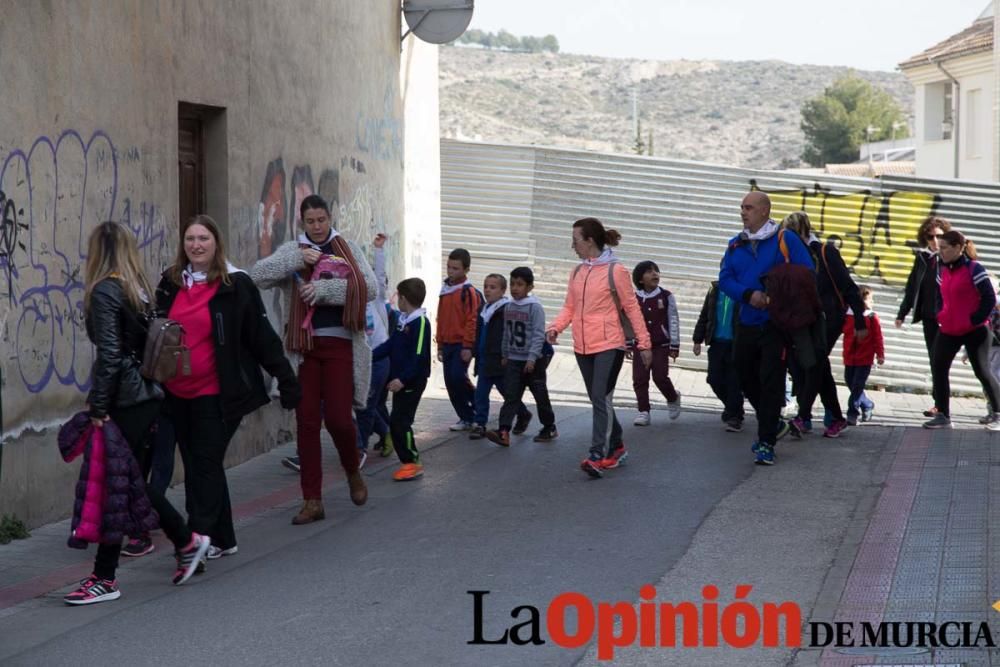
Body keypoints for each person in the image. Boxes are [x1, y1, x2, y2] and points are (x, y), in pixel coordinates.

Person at [65, 221, 211, 605]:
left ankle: (105, 578)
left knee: (116, 485)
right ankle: (185, 542)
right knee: (132, 486)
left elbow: (111, 356)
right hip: (148, 396)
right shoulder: (137, 290)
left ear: (98, 251)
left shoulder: (104, 292)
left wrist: (98, 406)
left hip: (127, 401)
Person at [156, 215, 300, 558]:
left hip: (219, 393)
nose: (196, 245)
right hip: (176, 392)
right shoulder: (171, 281)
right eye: (190, 239)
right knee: (198, 463)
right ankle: (223, 538)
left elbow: (261, 337)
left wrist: (286, 377)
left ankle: (198, 537)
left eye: (203, 238)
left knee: (204, 462)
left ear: (216, 243)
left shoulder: (236, 284)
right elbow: (155, 329)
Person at [250, 194, 376, 525]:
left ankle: (352, 471)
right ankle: (312, 500)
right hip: (302, 349)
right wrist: (295, 259)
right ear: (301, 223)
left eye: (322, 220)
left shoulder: (346, 248)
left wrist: (324, 292)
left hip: (340, 344)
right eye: (310, 222)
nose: (317, 227)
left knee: (338, 419)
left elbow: (370, 287)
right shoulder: (293, 250)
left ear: (330, 218)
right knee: (306, 424)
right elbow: (258, 276)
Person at [547, 218, 652, 479]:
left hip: (609, 344)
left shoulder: (615, 270)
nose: (573, 246)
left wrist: (644, 343)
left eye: (576, 241)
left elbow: (631, 307)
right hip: (582, 346)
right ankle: (617, 446)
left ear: (590, 241)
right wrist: (555, 327)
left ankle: (597, 454)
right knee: (599, 399)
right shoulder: (577, 272)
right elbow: (569, 307)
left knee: (600, 397)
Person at [719, 192, 813, 465]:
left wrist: (776, 298)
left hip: (776, 323)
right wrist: (748, 294)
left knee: (771, 380)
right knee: (743, 372)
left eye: (748, 208)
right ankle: (772, 421)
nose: (743, 212)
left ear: (764, 211)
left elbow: (807, 275)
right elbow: (725, 279)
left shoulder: (786, 240)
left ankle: (765, 442)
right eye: (741, 208)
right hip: (747, 320)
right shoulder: (736, 244)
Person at [781, 211, 866, 439]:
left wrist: (859, 320)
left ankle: (803, 417)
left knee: (815, 364)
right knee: (817, 367)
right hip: (804, 320)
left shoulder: (826, 253)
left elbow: (848, 287)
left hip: (829, 320)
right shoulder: (791, 256)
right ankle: (836, 418)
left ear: (800, 232)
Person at [923, 230, 1000, 430]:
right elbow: (940, 297)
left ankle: (998, 413)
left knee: (982, 371)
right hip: (949, 329)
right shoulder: (943, 270)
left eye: (945, 248)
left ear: (958, 248)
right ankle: (943, 415)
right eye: (939, 249)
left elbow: (990, 298)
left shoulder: (974, 269)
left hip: (975, 330)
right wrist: (940, 314)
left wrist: (975, 319)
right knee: (938, 367)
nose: (941, 252)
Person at [485, 267, 558, 446]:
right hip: (514, 360)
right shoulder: (508, 306)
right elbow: (507, 333)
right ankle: (503, 431)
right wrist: (505, 353)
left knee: (540, 394)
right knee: (511, 396)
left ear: (529, 286)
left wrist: (532, 359)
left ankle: (549, 426)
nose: (515, 288)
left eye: (520, 284)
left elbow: (538, 334)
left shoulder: (535, 307)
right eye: (512, 284)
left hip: (533, 361)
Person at [373, 278, 432, 480]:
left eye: (398, 296)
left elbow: (418, 356)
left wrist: (403, 379)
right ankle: (408, 461)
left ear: (404, 298)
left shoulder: (420, 322)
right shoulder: (403, 321)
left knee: (400, 422)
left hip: (411, 382)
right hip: (401, 381)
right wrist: (369, 356)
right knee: (398, 421)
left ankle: (412, 461)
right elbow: (390, 346)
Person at [896, 216, 952, 417]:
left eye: (939, 236)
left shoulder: (951, 260)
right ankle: (940, 406)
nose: (935, 241)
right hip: (930, 318)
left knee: (974, 365)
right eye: (930, 237)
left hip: (948, 318)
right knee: (935, 360)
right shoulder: (923, 259)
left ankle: (994, 406)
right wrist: (902, 312)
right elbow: (912, 286)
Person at [469, 273, 531, 440]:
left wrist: (508, 355)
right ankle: (480, 423)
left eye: (493, 287)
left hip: (499, 360)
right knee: (481, 393)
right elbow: (478, 333)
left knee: (508, 394)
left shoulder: (506, 309)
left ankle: (523, 413)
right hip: (484, 359)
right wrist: (473, 351)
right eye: (486, 287)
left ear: (503, 291)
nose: (488, 291)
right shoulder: (483, 309)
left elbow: (509, 334)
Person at [355, 232, 392, 468]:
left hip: (379, 358)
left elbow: (379, 276)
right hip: (359, 360)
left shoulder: (375, 299)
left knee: (367, 405)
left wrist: (378, 250)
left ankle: (359, 448)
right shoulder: (347, 301)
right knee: (364, 403)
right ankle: (386, 431)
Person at [630, 260, 681, 426]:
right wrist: (628, 342)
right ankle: (643, 411)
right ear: (640, 279)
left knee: (660, 376)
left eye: (656, 271)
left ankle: (673, 397)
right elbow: (629, 321)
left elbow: (673, 320)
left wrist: (674, 345)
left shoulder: (666, 296)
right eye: (649, 272)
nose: (654, 274)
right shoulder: (634, 298)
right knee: (639, 378)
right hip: (640, 345)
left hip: (661, 345)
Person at [437, 248, 483, 431]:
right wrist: (439, 344)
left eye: (455, 268)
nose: (451, 271)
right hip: (447, 343)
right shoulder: (445, 289)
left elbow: (472, 319)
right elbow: (440, 318)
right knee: (450, 381)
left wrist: (467, 346)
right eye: (449, 267)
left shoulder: (468, 291)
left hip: (460, 344)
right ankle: (465, 417)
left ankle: (478, 405)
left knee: (458, 377)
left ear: (466, 270)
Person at [693, 280, 744, 432]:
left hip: (736, 344)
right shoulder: (714, 290)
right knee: (713, 378)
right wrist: (697, 339)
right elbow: (704, 315)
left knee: (734, 381)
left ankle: (735, 417)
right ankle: (733, 407)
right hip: (716, 343)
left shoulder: (743, 290)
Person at [842, 286, 885, 425]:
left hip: (865, 358)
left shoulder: (872, 317)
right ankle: (867, 404)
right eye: (869, 300)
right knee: (850, 382)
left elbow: (878, 337)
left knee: (857, 385)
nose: (872, 303)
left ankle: (852, 413)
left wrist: (880, 354)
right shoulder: (848, 315)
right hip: (849, 357)